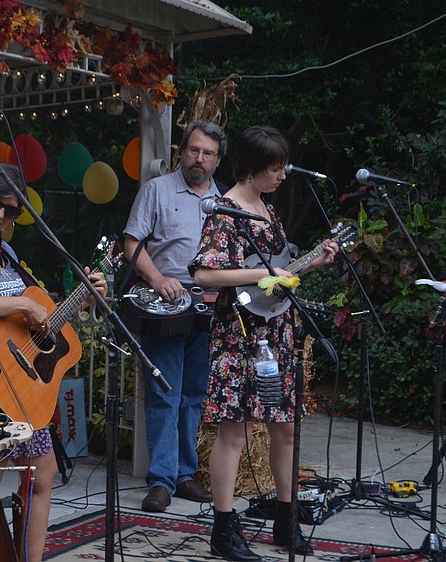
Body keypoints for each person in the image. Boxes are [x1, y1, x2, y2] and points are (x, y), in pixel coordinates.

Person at [0, 163, 106, 562]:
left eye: (11, 211)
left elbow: (32, 322)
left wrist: (80, 300)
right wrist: (21, 303)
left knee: (41, 475)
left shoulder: (4, 251)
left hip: (21, 388)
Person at [189, 125, 337, 561]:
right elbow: (204, 274)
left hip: (277, 331)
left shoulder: (268, 212)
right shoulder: (225, 210)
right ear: (253, 168)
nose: (283, 176)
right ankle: (223, 527)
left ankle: (286, 522)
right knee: (236, 431)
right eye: (275, 169)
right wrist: (259, 275)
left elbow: (276, 277)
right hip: (238, 333)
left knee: (286, 427)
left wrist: (308, 265)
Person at [123, 119, 227, 512]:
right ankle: (161, 480)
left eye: (208, 153)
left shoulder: (224, 200)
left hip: (211, 308)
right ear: (182, 151)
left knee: (194, 395)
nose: (199, 158)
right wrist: (157, 277)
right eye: (194, 150)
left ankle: (184, 475)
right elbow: (131, 241)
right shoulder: (158, 190)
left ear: (218, 160)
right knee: (165, 393)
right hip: (165, 306)